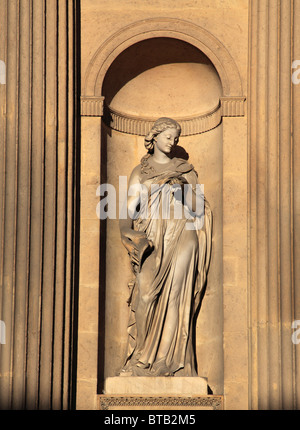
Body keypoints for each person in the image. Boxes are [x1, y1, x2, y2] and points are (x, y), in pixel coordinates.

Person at [119, 117, 212, 377]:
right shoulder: (141, 172)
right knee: (146, 295)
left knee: (176, 297)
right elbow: (127, 212)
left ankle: (169, 363)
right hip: (152, 235)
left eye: (176, 137)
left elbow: (198, 208)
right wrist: (129, 233)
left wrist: (181, 189)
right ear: (155, 137)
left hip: (183, 233)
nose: (173, 142)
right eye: (168, 136)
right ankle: (140, 359)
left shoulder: (185, 170)